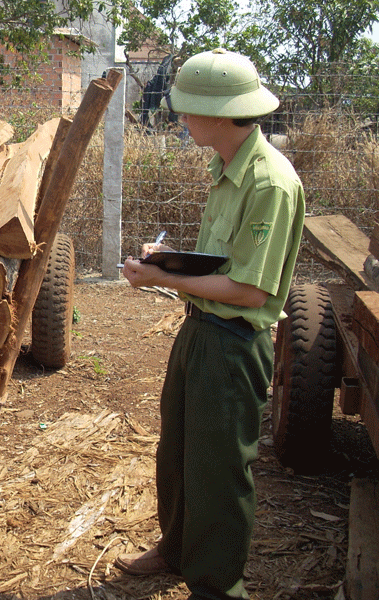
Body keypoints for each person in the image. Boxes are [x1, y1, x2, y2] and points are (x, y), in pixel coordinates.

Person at [117, 48, 305, 600]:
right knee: (177, 452)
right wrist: (170, 258)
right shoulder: (227, 166)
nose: (180, 117)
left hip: (233, 343)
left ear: (222, 114)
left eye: (188, 108)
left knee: (219, 473)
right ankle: (175, 550)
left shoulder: (269, 183)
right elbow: (224, 263)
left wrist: (161, 281)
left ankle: (217, 586)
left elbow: (250, 289)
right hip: (201, 332)